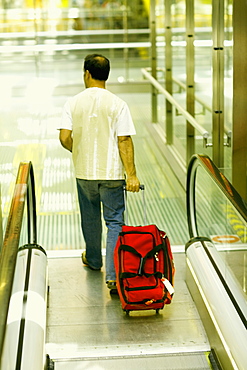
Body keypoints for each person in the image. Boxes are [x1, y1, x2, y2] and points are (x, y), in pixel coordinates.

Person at [59, 54, 140, 293]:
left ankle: (94, 260)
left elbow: (64, 137)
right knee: (115, 221)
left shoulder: (72, 102)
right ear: (107, 74)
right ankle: (114, 276)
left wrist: (80, 149)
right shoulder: (118, 104)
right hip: (112, 173)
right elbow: (124, 140)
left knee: (90, 218)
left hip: (84, 173)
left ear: (86, 73)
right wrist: (132, 175)